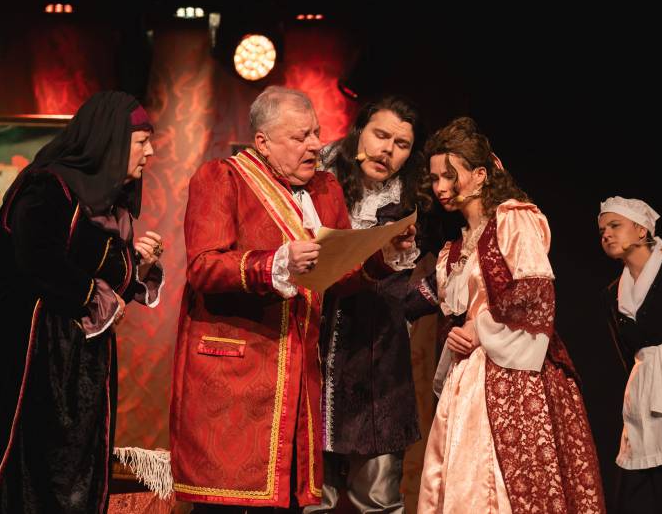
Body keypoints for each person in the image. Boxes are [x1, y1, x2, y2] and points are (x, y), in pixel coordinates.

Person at [0, 91, 164, 514]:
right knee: (18, 468)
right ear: (112, 141)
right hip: (22, 352)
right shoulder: (50, 186)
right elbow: (38, 260)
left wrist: (135, 266)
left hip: (76, 361)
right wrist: (96, 289)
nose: (150, 152)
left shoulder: (110, 204)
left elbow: (99, 283)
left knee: (70, 469)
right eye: (142, 141)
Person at [169, 86, 414, 512]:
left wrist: (382, 256)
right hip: (235, 377)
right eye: (300, 137)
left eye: (316, 133)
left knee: (290, 502)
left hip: (298, 378)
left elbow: (340, 275)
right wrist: (274, 262)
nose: (315, 145)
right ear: (262, 142)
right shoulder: (222, 178)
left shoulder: (325, 189)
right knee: (227, 504)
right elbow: (203, 266)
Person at [406, 117, 605, 513]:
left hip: (515, 368)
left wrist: (478, 329)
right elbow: (424, 303)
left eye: (450, 176)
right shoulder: (454, 250)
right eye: (435, 178)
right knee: (463, 482)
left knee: (505, 482)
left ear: (480, 175)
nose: (441, 187)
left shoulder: (513, 219)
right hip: (468, 378)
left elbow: (535, 293)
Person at [306, 95, 430, 513]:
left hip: (378, 364)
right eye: (380, 135)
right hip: (316, 353)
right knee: (311, 497)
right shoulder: (318, 184)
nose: (387, 150)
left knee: (377, 500)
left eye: (401, 144)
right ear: (359, 132)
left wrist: (415, 302)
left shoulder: (413, 200)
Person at [598, 196, 662, 514]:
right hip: (643, 393)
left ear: (642, 230)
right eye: (602, 230)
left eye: (615, 225)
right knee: (637, 493)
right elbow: (625, 354)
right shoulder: (612, 294)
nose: (606, 234)